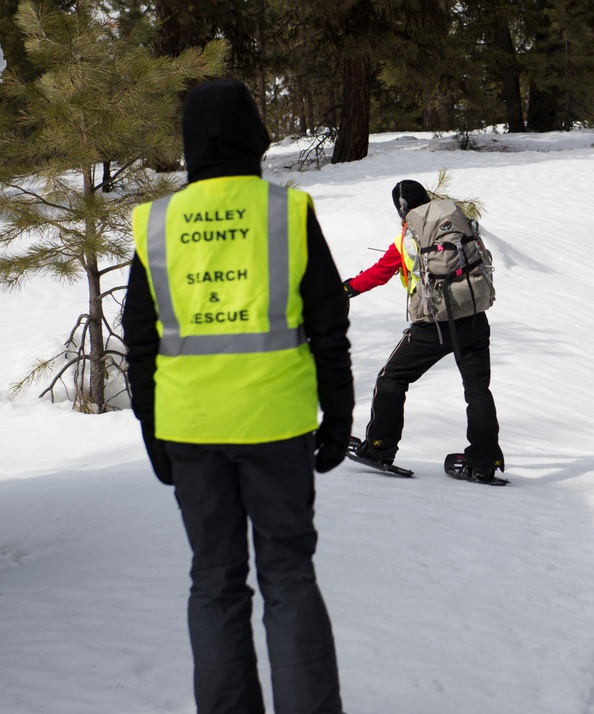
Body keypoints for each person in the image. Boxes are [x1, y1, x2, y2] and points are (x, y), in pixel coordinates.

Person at [122, 79, 353, 714]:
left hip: (191, 430)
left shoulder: (157, 221)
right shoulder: (288, 211)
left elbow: (140, 341)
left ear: (191, 144)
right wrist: (339, 414)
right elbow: (330, 323)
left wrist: (152, 427)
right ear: (255, 134)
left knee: (215, 583)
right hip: (277, 425)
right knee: (287, 576)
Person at [344, 179, 504, 483]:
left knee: (392, 378)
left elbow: (379, 273)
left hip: (434, 325)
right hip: (473, 317)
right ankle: (484, 461)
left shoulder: (409, 238)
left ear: (401, 209)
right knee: (478, 390)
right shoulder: (457, 222)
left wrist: (348, 288)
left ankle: (379, 447)